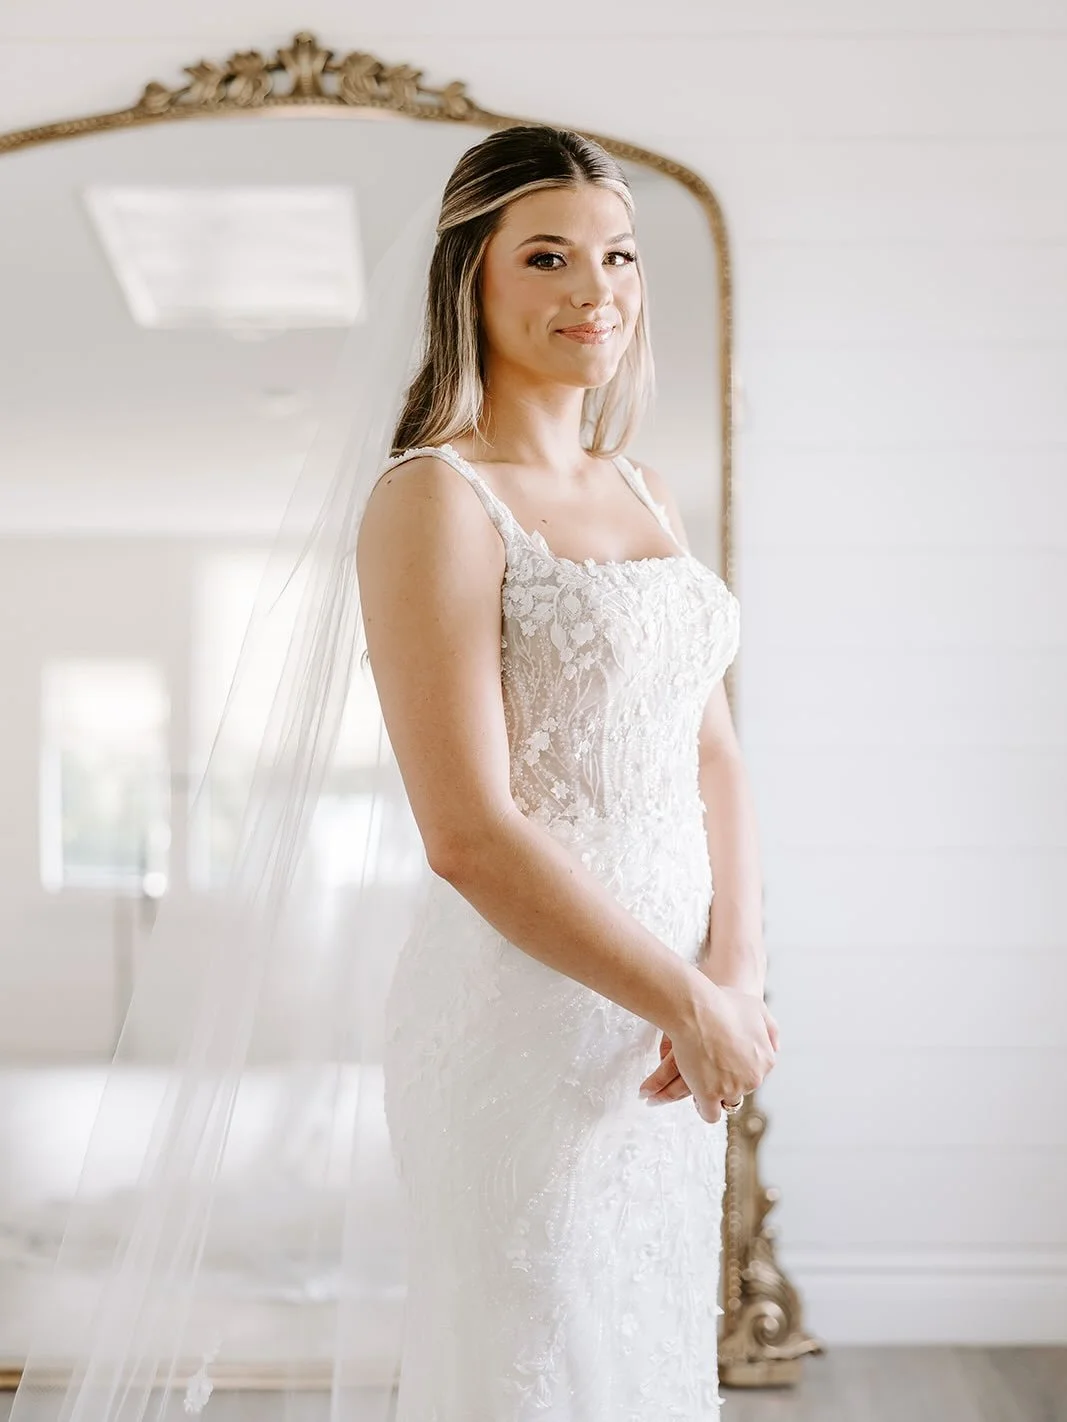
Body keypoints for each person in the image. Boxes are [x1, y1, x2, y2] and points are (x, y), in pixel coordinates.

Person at [355, 124, 779, 1421]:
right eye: (545, 256)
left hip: (671, 1026)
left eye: (617, 255)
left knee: (641, 1349)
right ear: (468, 279)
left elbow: (711, 747)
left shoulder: (643, 490)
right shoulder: (434, 498)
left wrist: (733, 979)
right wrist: (682, 995)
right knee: (535, 1362)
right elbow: (465, 830)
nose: (593, 290)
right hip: (520, 1012)